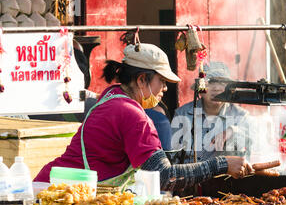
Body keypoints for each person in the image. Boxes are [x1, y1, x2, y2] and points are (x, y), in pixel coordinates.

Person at [33, 44, 254, 191]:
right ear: (141, 80)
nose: (165, 89)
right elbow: (166, 177)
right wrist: (222, 164)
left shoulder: (113, 96)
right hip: (59, 196)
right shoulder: (132, 115)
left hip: (55, 187)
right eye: (162, 82)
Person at [171, 61, 252, 163]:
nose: (216, 88)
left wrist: (232, 131)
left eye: (222, 83)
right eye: (210, 83)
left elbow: (255, 140)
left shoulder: (240, 116)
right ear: (200, 89)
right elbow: (172, 157)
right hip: (190, 177)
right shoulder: (183, 114)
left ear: (229, 89)